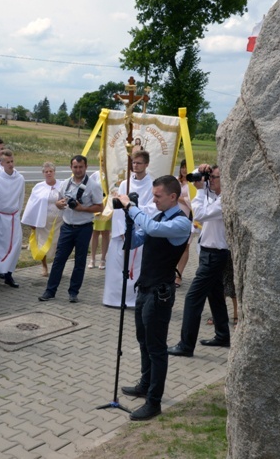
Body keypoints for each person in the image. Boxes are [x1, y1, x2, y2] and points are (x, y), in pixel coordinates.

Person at [117, 175, 191, 421]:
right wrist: (127, 222)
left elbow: (151, 229)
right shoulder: (157, 217)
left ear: (173, 197)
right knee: (143, 340)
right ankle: (145, 384)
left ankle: (154, 402)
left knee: (157, 348)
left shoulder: (181, 223)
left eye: (158, 196)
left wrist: (132, 207)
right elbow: (137, 239)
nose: (154, 200)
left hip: (160, 293)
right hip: (145, 289)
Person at [168, 164, 231, 358]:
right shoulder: (212, 195)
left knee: (193, 298)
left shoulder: (226, 200)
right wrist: (200, 170)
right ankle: (222, 335)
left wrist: (200, 190)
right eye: (210, 176)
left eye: (215, 177)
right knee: (215, 295)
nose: (210, 180)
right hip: (208, 251)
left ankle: (186, 345)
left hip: (216, 254)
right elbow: (196, 178)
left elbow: (201, 215)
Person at [38, 155, 103, 303]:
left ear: (85, 167)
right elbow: (59, 201)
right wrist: (58, 204)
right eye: (75, 167)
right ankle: (50, 291)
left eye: (81, 167)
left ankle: (73, 292)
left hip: (84, 228)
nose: (78, 170)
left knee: (79, 262)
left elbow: (100, 207)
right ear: (71, 168)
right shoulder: (65, 184)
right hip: (67, 227)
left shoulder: (93, 185)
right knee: (59, 260)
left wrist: (83, 208)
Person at [102, 150, 157, 309]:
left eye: (139, 163)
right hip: (122, 232)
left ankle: (133, 300)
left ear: (146, 164)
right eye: (133, 163)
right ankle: (113, 299)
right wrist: (122, 231)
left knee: (135, 268)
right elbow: (119, 208)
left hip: (138, 232)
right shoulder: (125, 183)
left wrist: (134, 211)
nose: (135, 165)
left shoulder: (151, 184)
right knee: (116, 267)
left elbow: (151, 209)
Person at [0, 150, 24, 289]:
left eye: (11, 161)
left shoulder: (19, 178)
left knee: (15, 245)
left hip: (13, 216)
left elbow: (20, 198)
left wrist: (16, 213)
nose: (10, 164)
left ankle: (9, 274)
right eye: (7, 162)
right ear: (1, 163)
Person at [21, 162, 63, 277]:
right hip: (42, 221)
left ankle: (57, 267)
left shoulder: (62, 185)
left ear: (54, 172)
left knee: (59, 245)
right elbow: (32, 204)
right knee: (42, 243)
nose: (49, 173)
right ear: (43, 173)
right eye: (46, 171)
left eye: (51, 171)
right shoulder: (38, 187)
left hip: (59, 222)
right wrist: (32, 221)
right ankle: (44, 266)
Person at [174, 159, 193, 288]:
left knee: (185, 246)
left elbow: (193, 203)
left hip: (187, 218)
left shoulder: (193, 184)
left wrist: (178, 198)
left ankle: (179, 275)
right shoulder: (175, 181)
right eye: (182, 167)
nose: (184, 170)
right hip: (174, 217)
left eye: (186, 167)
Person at [88, 170, 110, 270]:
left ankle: (103, 258)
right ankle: (92, 258)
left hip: (107, 206)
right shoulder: (96, 174)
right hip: (97, 204)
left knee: (105, 233)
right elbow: (89, 186)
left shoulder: (112, 173)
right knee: (95, 232)